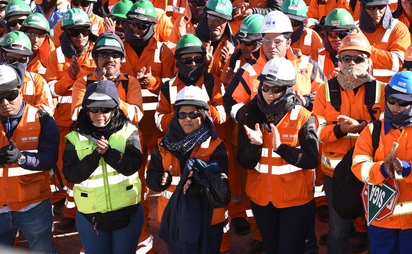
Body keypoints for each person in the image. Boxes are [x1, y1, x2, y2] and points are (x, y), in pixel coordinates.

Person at [351, 70, 412, 253]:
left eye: (403, 103)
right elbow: (358, 167)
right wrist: (382, 170)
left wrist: (408, 169)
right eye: (391, 100)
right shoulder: (372, 131)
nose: (395, 106)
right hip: (381, 218)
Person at [237, 57, 319, 254]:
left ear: (288, 89)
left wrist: (281, 148)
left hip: (296, 203)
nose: (269, 94)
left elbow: (311, 159)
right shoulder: (249, 114)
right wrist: (255, 146)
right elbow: (243, 161)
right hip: (262, 200)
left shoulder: (303, 117)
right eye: (265, 87)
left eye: (276, 89)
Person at [315, 32, 385, 254]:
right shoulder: (325, 90)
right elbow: (316, 131)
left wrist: (363, 126)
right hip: (336, 176)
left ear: (369, 61)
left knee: (376, 228)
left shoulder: (382, 91)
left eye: (358, 59)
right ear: (339, 60)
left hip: (371, 174)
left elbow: (390, 131)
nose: (352, 63)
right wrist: (339, 130)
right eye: (346, 58)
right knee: (338, 232)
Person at [63, 80, 143, 254]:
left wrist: (108, 153)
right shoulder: (74, 137)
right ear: (86, 110)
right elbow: (71, 175)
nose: (100, 115)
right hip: (90, 216)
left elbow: (133, 165)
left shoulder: (129, 130)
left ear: (115, 109)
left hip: (128, 213)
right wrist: (94, 157)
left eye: (106, 109)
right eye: (94, 109)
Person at [148, 85, 228, 254]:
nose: (187, 119)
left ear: (204, 115)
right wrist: (162, 179)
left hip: (209, 220)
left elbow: (221, 184)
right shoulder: (162, 145)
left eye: (193, 114)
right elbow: (151, 180)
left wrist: (197, 182)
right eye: (182, 114)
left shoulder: (217, 145)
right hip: (174, 218)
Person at [0, 63, 59, 254]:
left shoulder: (43, 119)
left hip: (34, 207)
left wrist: (22, 158)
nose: (5, 103)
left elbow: (49, 159)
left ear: (20, 91)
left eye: (10, 95)